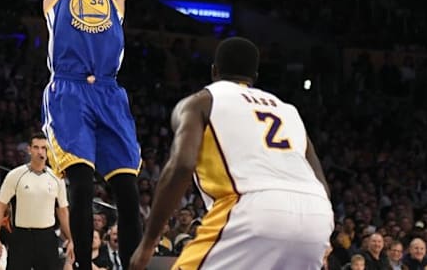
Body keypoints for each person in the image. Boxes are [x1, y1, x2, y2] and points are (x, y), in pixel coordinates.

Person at [130, 37, 334, 270]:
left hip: (251, 206)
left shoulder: (201, 102)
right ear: (255, 77)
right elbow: (322, 183)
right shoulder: (289, 111)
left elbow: (183, 165)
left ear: (214, 71)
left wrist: (148, 243)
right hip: (317, 214)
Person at [40, 0, 141, 268]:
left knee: (128, 192)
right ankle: (83, 265)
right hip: (68, 91)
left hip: (109, 93)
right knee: (80, 186)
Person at [0, 134, 74, 270]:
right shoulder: (15, 175)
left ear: (49, 151)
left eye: (44, 148)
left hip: (47, 237)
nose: (40, 151)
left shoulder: (57, 178)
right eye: (36, 147)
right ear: (29, 149)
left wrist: (71, 239)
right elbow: (0, 206)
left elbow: (63, 211)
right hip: (21, 237)